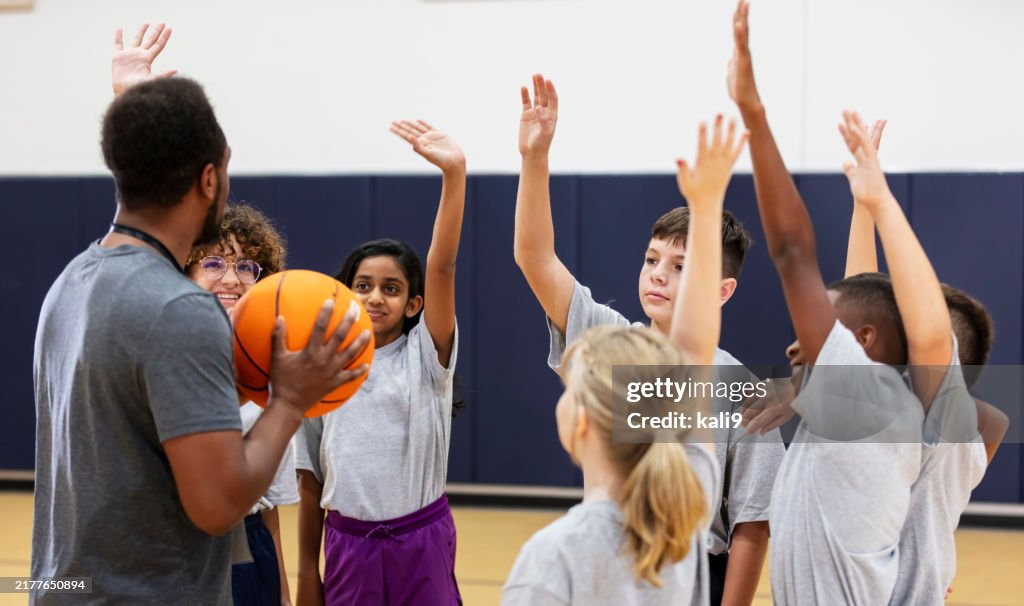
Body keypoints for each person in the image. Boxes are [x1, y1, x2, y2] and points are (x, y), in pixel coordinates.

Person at [31, 37, 369, 604]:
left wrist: (136, 110)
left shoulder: (71, 281)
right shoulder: (179, 309)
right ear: (209, 181)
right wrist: (289, 401)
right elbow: (217, 506)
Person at [512, 73, 782, 605]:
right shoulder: (607, 341)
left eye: (682, 265)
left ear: (720, 289)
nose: (658, 274)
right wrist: (534, 159)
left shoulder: (737, 391)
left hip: (695, 574)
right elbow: (535, 258)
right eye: (652, 259)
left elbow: (752, 522)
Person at [729, 2, 962, 603]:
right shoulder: (872, 409)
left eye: (823, 327)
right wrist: (864, 204)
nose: (798, 339)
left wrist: (753, 112)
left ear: (860, 348)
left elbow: (791, 252)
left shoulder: (868, 408)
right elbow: (865, 296)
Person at [295, 120, 467, 605]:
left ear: (414, 304)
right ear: (345, 293)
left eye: (391, 289)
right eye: (363, 285)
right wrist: (308, 574)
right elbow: (310, 483)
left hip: (422, 541)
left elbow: (442, 265)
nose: (375, 297)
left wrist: (454, 175)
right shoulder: (318, 370)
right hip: (348, 545)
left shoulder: (426, 357)